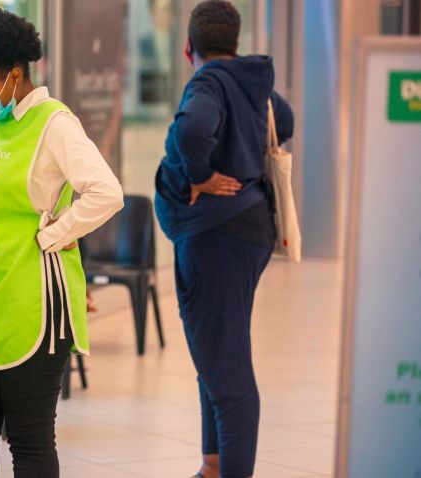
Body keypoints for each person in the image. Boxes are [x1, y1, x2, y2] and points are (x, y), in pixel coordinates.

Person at [0, 8, 124, 477]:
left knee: (28, 441)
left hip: (34, 305)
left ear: (15, 76)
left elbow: (107, 192)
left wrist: (56, 233)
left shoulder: (55, 124)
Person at [154, 2, 294, 477]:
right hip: (247, 230)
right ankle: (212, 466)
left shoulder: (209, 81)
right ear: (234, 43)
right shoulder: (252, 81)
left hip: (218, 235)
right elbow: (286, 119)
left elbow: (192, 128)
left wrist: (202, 175)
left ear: (188, 47)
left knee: (227, 370)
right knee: (214, 353)